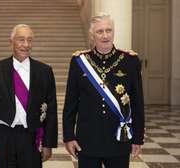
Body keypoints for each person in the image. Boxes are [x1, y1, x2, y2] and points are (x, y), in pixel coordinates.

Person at [62, 13, 145, 168]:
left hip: (119, 140)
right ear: (92, 34)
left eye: (109, 30)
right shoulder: (79, 61)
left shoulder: (130, 61)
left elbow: (137, 103)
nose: (105, 35)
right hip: (87, 140)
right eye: (100, 31)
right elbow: (70, 103)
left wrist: (138, 138)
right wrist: (68, 136)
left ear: (114, 32)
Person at [0, 24, 58, 168]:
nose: (26, 45)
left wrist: (48, 144)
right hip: (4, 137)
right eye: (21, 40)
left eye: (30, 40)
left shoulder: (44, 71)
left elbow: (52, 111)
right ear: (11, 41)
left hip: (32, 137)